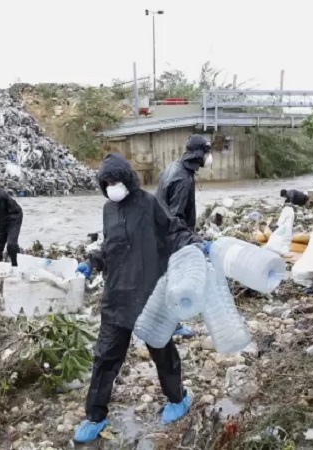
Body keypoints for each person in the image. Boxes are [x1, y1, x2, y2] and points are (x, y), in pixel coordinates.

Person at [73, 154, 206, 443]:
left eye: (116, 180)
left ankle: (178, 399)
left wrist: (197, 243)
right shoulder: (109, 210)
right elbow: (110, 247)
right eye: (107, 182)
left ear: (128, 179)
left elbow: (173, 231)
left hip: (150, 295)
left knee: (162, 350)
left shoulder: (149, 203)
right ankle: (95, 416)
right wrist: (92, 262)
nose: (112, 186)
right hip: (117, 297)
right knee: (105, 357)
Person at [155, 134, 212, 338]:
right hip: (170, 236)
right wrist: (193, 240)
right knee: (173, 279)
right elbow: (175, 217)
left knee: (164, 279)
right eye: (207, 153)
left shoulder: (175, 168)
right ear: (199, 154)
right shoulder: (183, 179)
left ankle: (164, 322)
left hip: (160, 231)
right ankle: (171, 325)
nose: (209, 157)